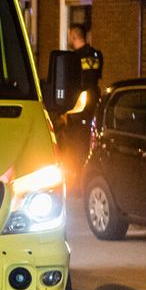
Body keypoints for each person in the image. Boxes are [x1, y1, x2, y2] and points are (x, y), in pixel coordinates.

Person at [60, 23, 104, 184]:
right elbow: (96, 78)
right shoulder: (96, 55)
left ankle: (78, 181)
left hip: (78, 107)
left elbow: (72, 84)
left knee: (76, 146)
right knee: (89, 144)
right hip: (94, 104)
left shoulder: (73, 58)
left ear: (73, 36)